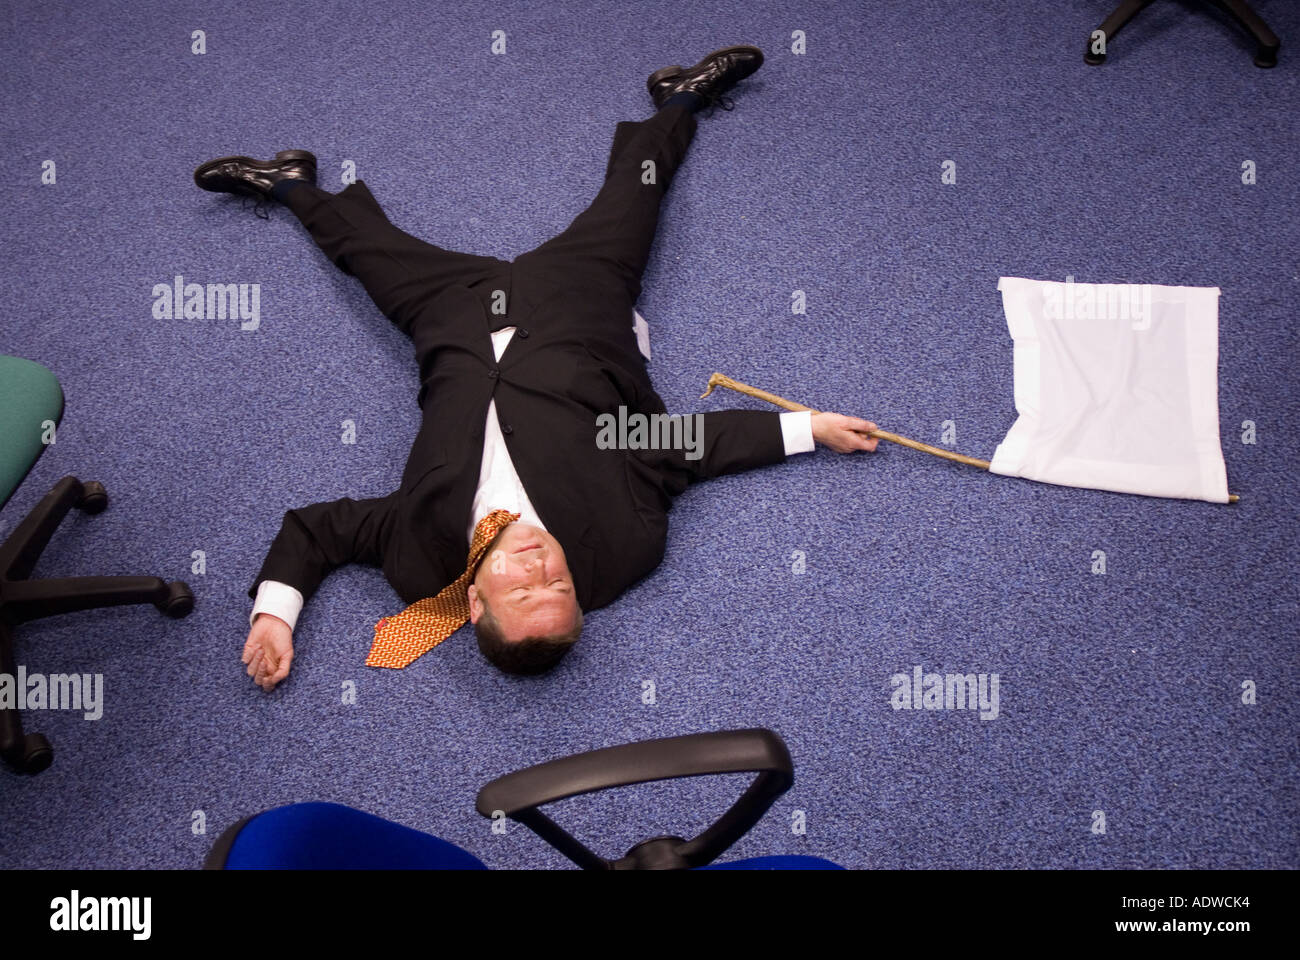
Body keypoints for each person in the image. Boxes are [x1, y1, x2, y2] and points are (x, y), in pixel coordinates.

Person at [195, 45, 879, 691]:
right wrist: (809, 428)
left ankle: (288, 185)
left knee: (368, 253)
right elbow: (679, 447)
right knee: (634, 198)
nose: (541, 568)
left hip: (451, 322)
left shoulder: (417, 559)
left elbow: (318, 531)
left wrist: (273, 617)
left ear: (472, 604)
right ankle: (679, 101)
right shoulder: (622, 544)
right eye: (559, 587)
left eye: (523, 590)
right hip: (574, 311)